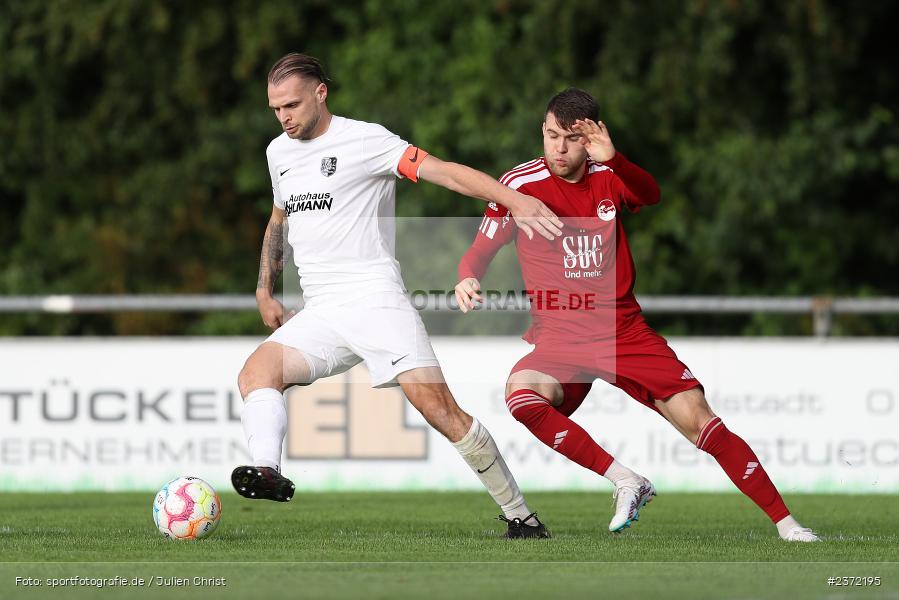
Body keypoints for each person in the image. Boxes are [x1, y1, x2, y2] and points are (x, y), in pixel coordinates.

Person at [454, 88, 819, 542]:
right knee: (522, 397)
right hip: (561, 338)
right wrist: (468, 277)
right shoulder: (520, 187)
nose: (558, 149)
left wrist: (617, 159)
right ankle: (626, 479)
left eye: (570, 139)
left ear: (590, 138)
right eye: (551, 136)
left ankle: (788, 525)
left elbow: (651, 194)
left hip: (622, 330)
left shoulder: (609, 174)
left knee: (700, 421)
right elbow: (480, 250)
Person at [233, 53, 564, 538]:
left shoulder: (367, 140)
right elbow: (280, 218)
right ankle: (266, 469)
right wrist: (265, 287)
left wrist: (514, 200)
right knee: (255, 373)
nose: (284, 117)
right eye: (275, 108)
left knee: (441, 413)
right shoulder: (278, 153)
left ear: (321, 93)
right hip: (323, 311)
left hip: (376, 299)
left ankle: (521, 516)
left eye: (292, 104)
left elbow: (446, 172)